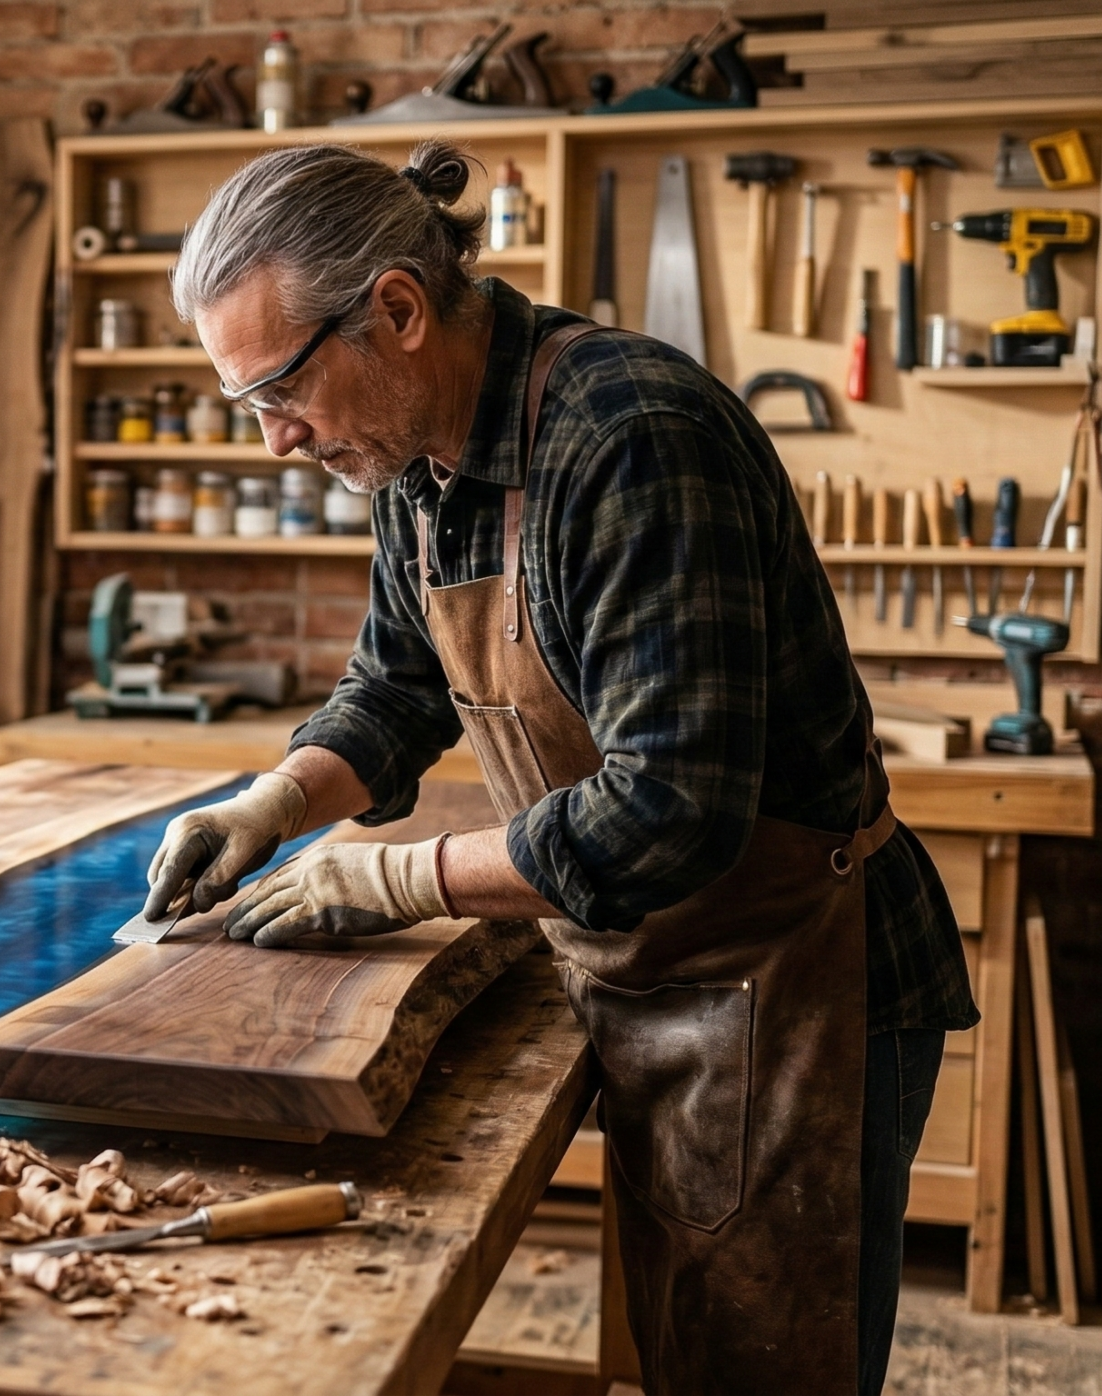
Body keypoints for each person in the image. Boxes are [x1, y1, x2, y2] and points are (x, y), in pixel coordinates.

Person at [140, 140, 975, 1396]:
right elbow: (396, 682)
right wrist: (281, 797)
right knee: (684, 1346)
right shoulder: (413, 456)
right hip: (650, 971)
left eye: (278, 392)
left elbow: (667, 809)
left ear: (398, 311)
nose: (272, 440)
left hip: (790, 983)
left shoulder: (628, 435)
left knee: (760, 1368)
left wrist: (389, 881)